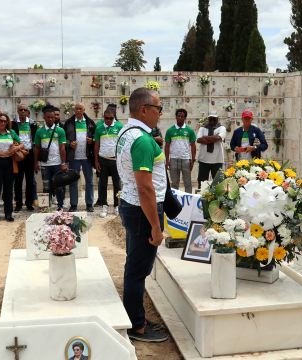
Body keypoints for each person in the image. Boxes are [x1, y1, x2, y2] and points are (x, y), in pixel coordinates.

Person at [117, 87, 168, 343]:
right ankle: (137, 327)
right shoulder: (142, 140)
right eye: (158, 108)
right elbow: (145, 188)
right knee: (137, 271)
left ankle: (136, 316)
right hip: (142, 210)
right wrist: (156, 229)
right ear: (144, 109)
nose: (160, 113)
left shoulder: (126, 132)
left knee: (134, 266)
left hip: (132, 206)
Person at [0, 113, 23, 222]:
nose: (3, 123)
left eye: (5, 121)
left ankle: (8, 213)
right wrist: (3, 153)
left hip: (9, 164)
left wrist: (15, 149)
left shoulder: (11, 133)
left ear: (8, 123)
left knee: (8, 190)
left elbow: (22, 144)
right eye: (1, 121)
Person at [64, 102, 96, 212]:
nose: (78, 111)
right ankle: (73, 204)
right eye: (76, 109)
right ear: (74, 110)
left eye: (80, 109)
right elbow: (64, 139)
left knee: (89, 181)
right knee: (73, 181)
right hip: (74, 158)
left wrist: (92, 140)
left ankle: (89, 203)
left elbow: (96, 138)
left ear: (84, 109)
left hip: (87, 157)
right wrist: (69, 144)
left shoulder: (90, 123)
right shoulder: (68, 123)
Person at [34, 107, 67, 210]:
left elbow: (62, 148)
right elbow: (37, 148)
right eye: (48, 117)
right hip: (45, 165)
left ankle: (60, 206)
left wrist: (63, 163)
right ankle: (46, 207)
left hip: (57, 164)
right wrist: (35, 163)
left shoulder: (60, 131)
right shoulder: (39, 131)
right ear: (44, 117)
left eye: (52, 117)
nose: (50, 119)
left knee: (59, 186)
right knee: (46, 187)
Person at [94, 108, 123, 217]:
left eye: (111, 118)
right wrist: (96, 161)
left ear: (114, 117)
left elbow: (122, 143)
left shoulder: (119, 126)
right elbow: (96, 145)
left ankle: (116, 206)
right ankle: (104, 206)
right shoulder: (99, 128)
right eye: (106, 118)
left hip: (115, 160)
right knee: (103, 184)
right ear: (103, 117)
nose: (109, 120)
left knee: (117, 184)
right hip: (103, 159)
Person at [12, 104, 37, 212]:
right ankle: (18, 204)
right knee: (18, 180)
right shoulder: (13, 124)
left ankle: (29, 203)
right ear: (17, 111)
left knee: (30, 180)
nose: (23, 111)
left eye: (25, 110)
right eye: (21, 110)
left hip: (29, 154)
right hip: (18, 154)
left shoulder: (33, 124)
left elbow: (35, 140)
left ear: (27, 112)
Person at [165, 109, 196, 193]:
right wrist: (167, 160)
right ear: (176, 117)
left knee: (188, 183)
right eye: (178, 116)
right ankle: (174, 202)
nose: (180, 118)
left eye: (182, 116)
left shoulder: (189, 130)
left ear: (185, 118)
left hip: (186, 160)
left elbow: (193, 145)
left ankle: (188, 202)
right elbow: (167, 146)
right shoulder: (170, 130)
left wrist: (193, 160)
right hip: (174, 160)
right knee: (174, 183)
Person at [196, 111, 227, 189]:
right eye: (210, 119)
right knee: (202, 184)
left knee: (218, 185)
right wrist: (214, 138)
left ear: (218, 120)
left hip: (217, 160)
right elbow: (199, 140)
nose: (212, 121)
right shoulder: (202, 128)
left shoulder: (222, 128)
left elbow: (218, 138)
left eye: (214, 119)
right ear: (208, 119)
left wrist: (205, 137)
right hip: (204, 160)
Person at [53, 106, 68, 209]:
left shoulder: (63, 127)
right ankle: (52, 198)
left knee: (61, 182)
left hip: (60, 158)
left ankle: (62, 201)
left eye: (58, 115)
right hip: (49, 161)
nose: (56, 117)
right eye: (54, 115)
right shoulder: (43, 128)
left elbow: (65, 142)